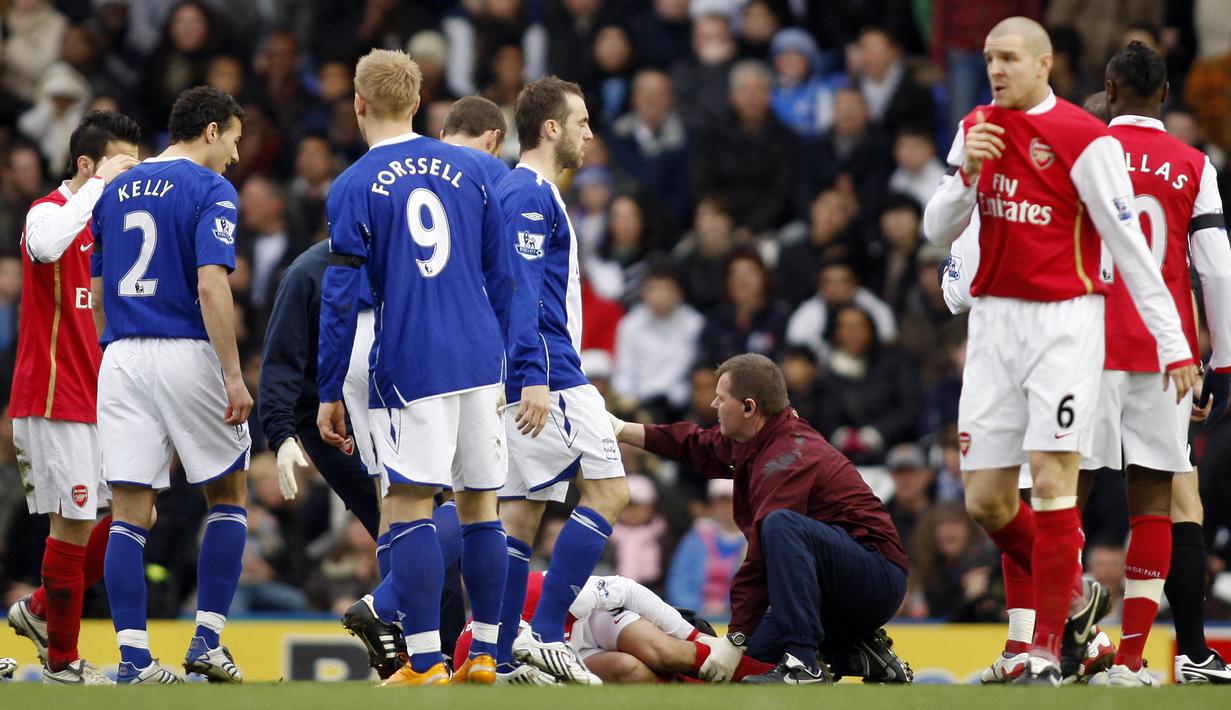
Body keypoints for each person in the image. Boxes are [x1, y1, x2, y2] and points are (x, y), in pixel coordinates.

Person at [922, 17, 1197, 685]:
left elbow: (1133, 252)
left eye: (1009, 57)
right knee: (987, 502)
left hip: (1063, 326)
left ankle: (1044, 651)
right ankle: (1077, 601)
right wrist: (966, 174)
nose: (995, 68)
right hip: (991, 329)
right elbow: (936, 233)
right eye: (989, 57)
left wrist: (1173, 344)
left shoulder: (1085, 138)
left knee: (1050, 481)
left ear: (1043, 65)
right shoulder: (974, 129)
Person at [316, 49, 514, 687]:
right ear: (422, 101)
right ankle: (484, 651)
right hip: (482, 357)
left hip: (411, 360)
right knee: (482, 506)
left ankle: (426, 661)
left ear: (359, 103)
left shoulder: (351, 186)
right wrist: (508, 356)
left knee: (408, 505)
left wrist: (328, 388)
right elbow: (502, 274)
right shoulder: (475, 169)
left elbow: (342, 296)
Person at [1071, 43, 1231, 687]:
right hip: (1166, 353)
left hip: (1085, 345)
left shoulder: (1080, 151)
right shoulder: (1194, 163)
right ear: (1166, 93)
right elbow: (1216, 267)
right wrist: (1219, 359)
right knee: (1156, 502)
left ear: (1109, 88)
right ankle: (1132, 661)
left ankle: (1052, 640)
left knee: (1065, 499)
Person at [610, 353, 912, 685]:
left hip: (874, 577)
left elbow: (760, 556)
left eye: (721, 398)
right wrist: (623, 429)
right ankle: (860, 654)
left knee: (779, 525)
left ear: (749, 407)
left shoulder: (788, 456)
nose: (712, 405)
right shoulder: (760, 438)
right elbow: (695, 444)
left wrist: (736, 635)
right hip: (841, 582)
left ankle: (804, 664)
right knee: (751, 664)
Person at [91, 86, 252, 685]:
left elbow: (99, 295)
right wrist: (233, 374)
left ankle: (133, 659)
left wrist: (114, 351)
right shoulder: (211, 189)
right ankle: (207, 640)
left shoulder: (114, 190)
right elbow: (212, 285)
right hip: (185, 348)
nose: (236, 155)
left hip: (122, 356)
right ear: (210, 131)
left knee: (130, 512)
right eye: (234, 139)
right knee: (229, 493)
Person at [494, 75, 630, 686]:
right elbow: (522, 291)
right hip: (548, 367)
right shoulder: (529, 193)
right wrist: (533, 375)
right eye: (580, 122)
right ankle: (548, 635)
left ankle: (499, 654)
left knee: (521, 515)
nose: (589, 133)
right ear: (550, 128)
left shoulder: (520, 189)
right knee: (609, 493)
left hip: (527, 366)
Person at [5, 110, 139, 685]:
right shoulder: (50, 212)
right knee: (75, 524)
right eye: (116, 166)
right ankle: (62, 661)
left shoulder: (108, 221)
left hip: (100, 396)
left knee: (139, 509)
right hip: (55, 395)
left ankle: (38, 610)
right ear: (86, 165)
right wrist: (95, 191)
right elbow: (41, 249)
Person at [455, 571, 776, 684]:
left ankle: (772, 675)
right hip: (568, 655)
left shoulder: (533, 590)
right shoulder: (469, 664)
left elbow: (624, 589)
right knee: (631, 672)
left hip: (589, 622)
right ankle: (700, 691)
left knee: (664, 651)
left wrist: (694, 635)